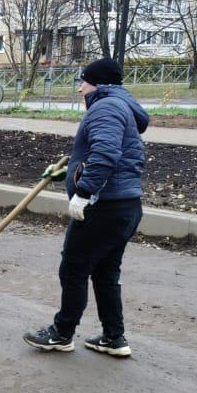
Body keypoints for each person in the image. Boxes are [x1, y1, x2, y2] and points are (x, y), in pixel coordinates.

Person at [24, 57, 147, 358]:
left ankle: (61, 333)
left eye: (83, 81)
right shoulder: (120, 106)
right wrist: (68, 172)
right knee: (105, 272)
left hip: (104, 206)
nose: (80, 89)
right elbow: (102, 152)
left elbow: (105, 153)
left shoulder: (106, 107)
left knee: (74, 268)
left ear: (98, 84)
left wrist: (84, 192)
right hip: (125, 206)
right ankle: (113, 337)